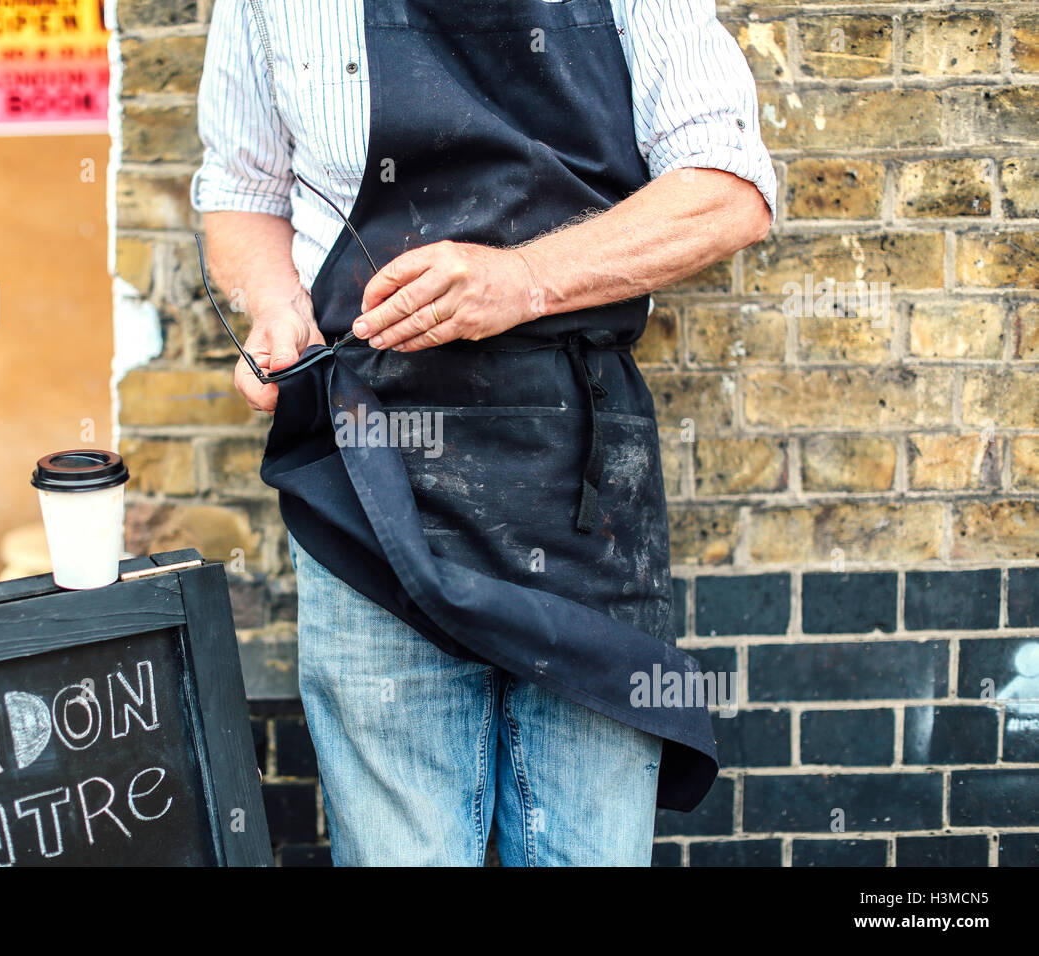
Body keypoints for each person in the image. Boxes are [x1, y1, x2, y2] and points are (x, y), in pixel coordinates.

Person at [193, 0, 774, 866]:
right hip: (368, 472)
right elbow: (243, 192)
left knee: (589, 851)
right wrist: (280, 314)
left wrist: (525, 278)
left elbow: (728, 191)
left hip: (578, 479)